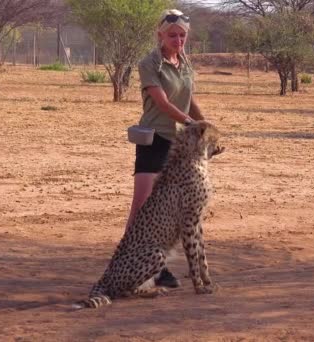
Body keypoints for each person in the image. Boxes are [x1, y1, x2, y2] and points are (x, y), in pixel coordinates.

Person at [126, 9, 205, 288]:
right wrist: (192, 123)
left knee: (169, 210)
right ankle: (128, 262)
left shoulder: (185, 63)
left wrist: (206, 124)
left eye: (182, 35)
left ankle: (157, 269)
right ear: (160, 35)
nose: (178, 40)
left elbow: (189, 99)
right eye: (172, 35)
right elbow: (162, 104)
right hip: (155, 139)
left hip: (178, 142)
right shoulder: (149, 63)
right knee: (143, 205)